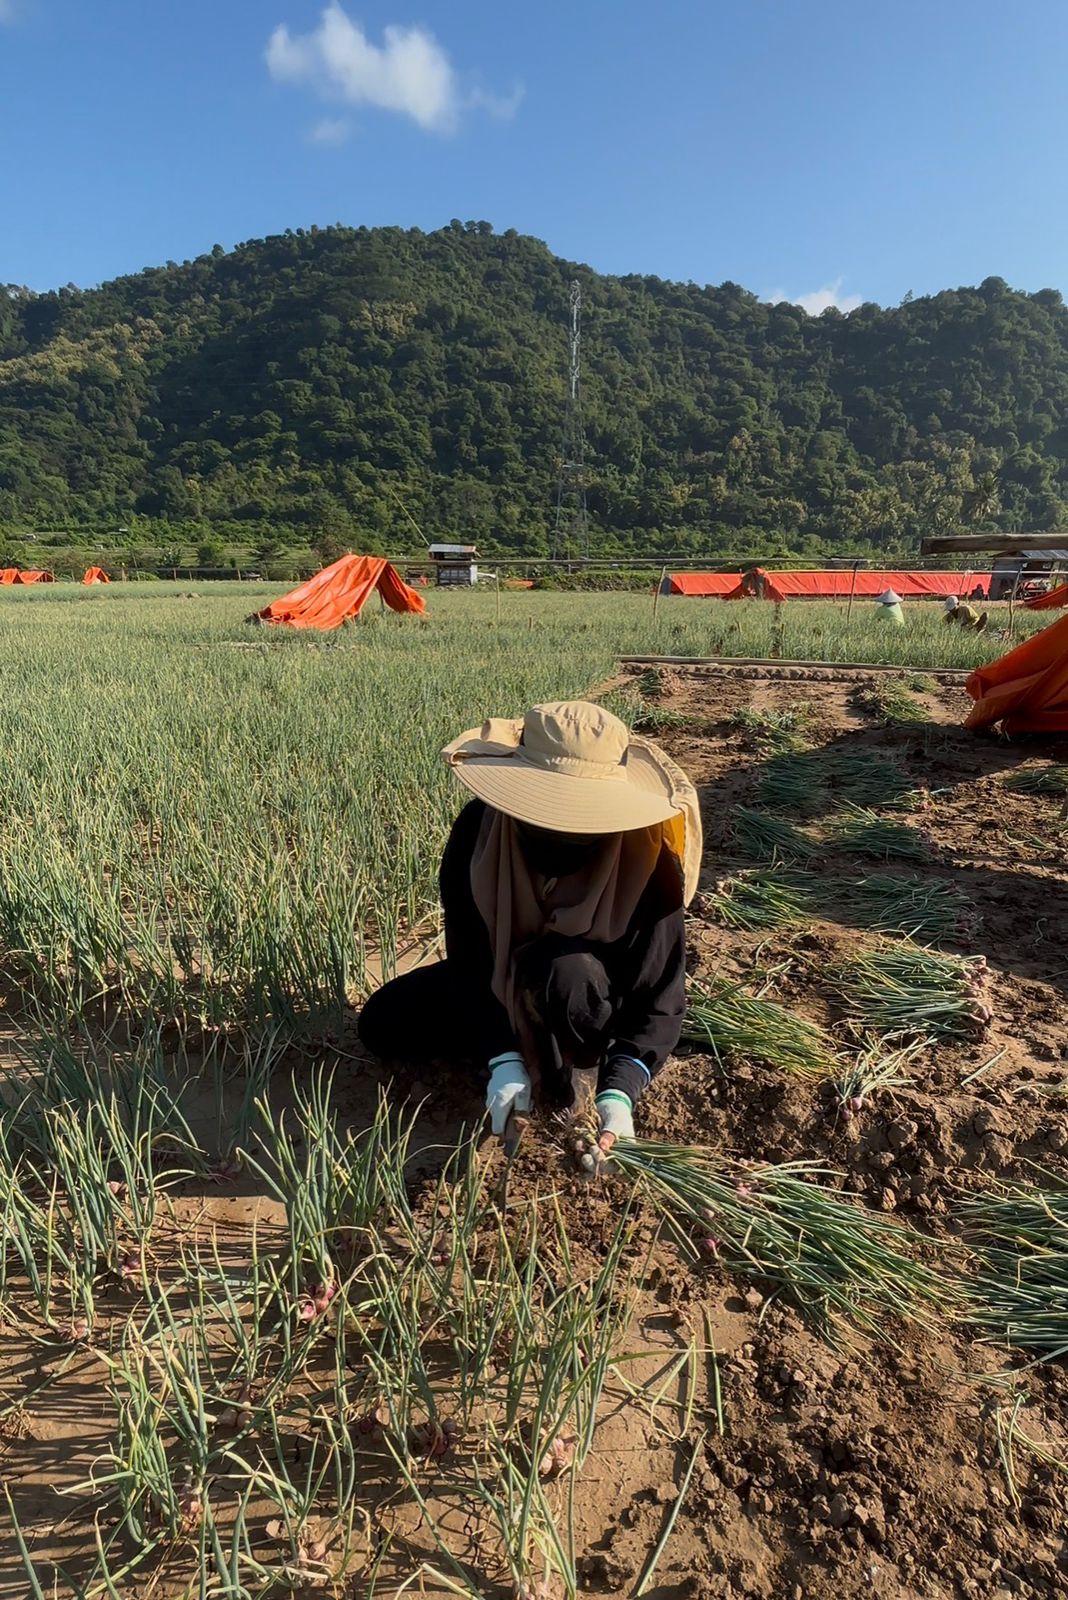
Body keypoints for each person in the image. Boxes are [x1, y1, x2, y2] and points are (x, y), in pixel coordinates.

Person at [357, 701, 701, 1163]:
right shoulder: (479, 835)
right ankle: (518, 1054)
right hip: (504, 977)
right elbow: (471, 958)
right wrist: (501, 1055)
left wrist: (620, 1091)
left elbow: (658, 1000)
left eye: (581, 829)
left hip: (590, 1001)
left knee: (565, 971)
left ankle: (574, 1075)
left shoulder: (651, 863)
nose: (562, 835)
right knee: (383, 1021)